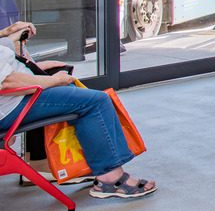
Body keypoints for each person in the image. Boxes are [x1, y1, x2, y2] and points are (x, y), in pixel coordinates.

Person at [0, 21, 157, 199]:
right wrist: (54, 81)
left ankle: (90, 166)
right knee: (95, 102)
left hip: (14, 97)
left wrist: (7, 33)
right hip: (13, 102)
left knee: (79, 94)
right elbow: (6, 82)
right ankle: (110, 178)